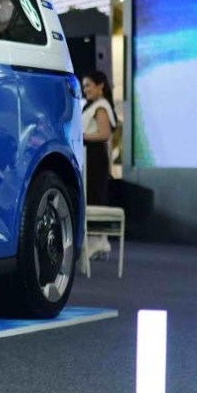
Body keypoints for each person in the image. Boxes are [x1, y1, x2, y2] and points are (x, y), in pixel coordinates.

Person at [81, 70, 117, 259]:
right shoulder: (92, 106)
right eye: (84, 86)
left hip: (95, 157)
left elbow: (104, 134)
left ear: (100, 85)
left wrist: (82, 136)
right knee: (92, 195)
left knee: (95, 195)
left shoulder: (101, 106)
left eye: (88, 85)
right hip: (90, 156)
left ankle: (98, 239)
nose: (85, 89)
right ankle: (99, 240)